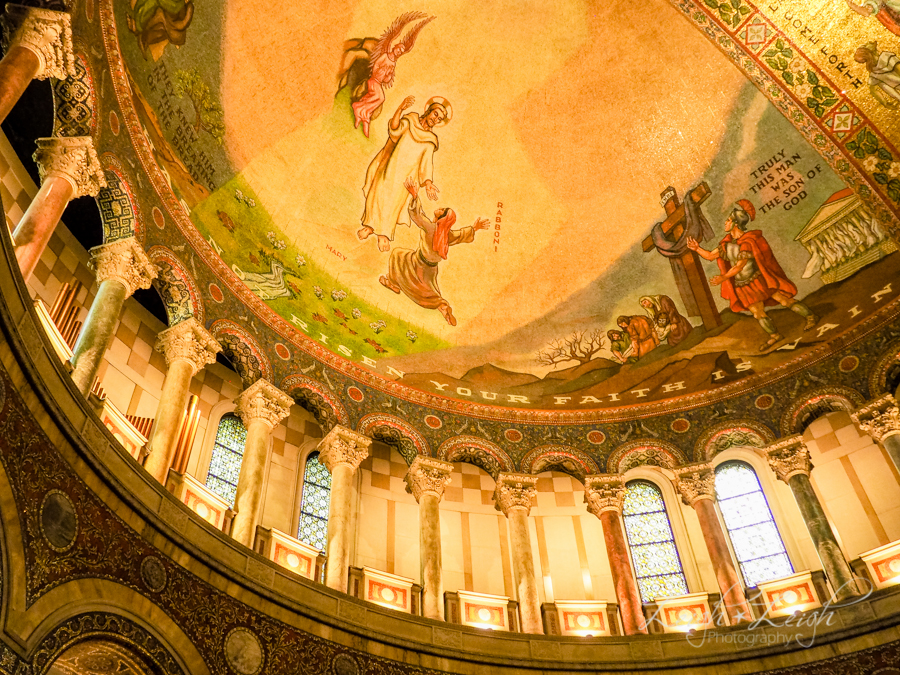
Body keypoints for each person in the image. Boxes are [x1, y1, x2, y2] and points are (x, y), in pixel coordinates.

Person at [687, 199, 818, 351]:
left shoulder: (748, 241)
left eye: (728, 220)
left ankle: (810, 316)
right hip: (743, 285)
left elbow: (739, 266)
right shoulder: (726, 243)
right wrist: (697, 249)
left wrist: (723, 278)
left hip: (759, 280)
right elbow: (710, 256)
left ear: (736, 223)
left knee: (784, 300)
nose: (726, 223)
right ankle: (775, 336)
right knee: (757, 312)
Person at [378, 178, 488, 326]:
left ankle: (393, 283)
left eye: (443, 210)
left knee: (397, 254)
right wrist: (475, 228)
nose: (440, 208)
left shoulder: (430, 227)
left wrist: (415, 196)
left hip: (417, 261)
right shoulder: (448, 235)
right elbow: (461, 235)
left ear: (441, 218)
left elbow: (417, 216)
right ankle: (442, 307)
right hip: (431, 268)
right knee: (430, 292)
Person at [358, 96, 452, 253]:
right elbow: (394, 130)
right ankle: (369, 226)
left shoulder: (430, 140)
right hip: (390, 164)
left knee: (394, 202)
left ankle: (384, 234)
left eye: (440, 119)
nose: (436, 120)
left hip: (407, 175)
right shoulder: (411, 120)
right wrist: (400, 109)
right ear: (429, 111)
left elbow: (427, 162)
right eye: (435, 114)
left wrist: (428, 183)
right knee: (378, 193)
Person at [854, 42, 900, 108]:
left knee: (881, 83)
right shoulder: (886, 57)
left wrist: (885, 103)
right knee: (881, 83)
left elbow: (873, 90)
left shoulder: (873, 73)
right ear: (874, 52)